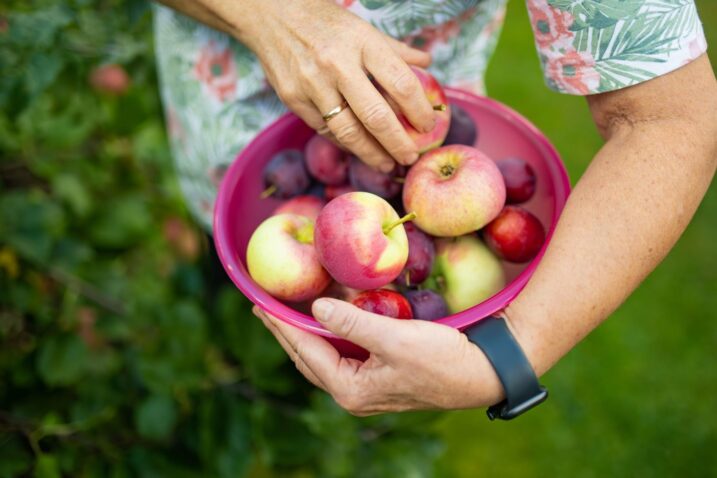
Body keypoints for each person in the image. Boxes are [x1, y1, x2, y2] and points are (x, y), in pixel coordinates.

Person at [154, 0, 717, 416]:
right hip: (225, 171)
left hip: (421, 155)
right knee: (237, 327)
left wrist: (510, 355)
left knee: (382, 380)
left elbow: (672, 118)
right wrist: (271, 19)